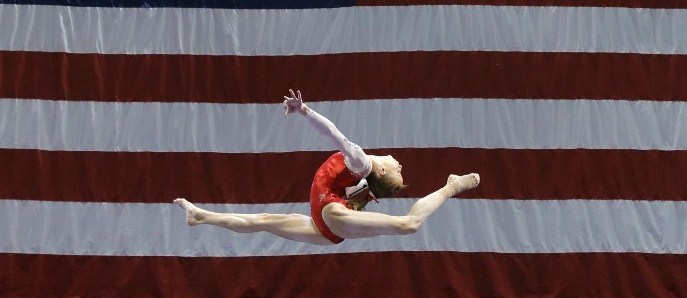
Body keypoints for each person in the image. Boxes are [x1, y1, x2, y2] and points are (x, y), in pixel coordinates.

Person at [174, 89, 480, 245]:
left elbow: (333, 133)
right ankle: (201, 215)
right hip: (325, 225)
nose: (400, 163)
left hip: (329, 214)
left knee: (408, 225)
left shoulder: (361, 161)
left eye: (398, 168)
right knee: (263, 220)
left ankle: (453, 185)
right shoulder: (362, 183)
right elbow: (359, 197)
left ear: (383, 171)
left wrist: (304, 110)